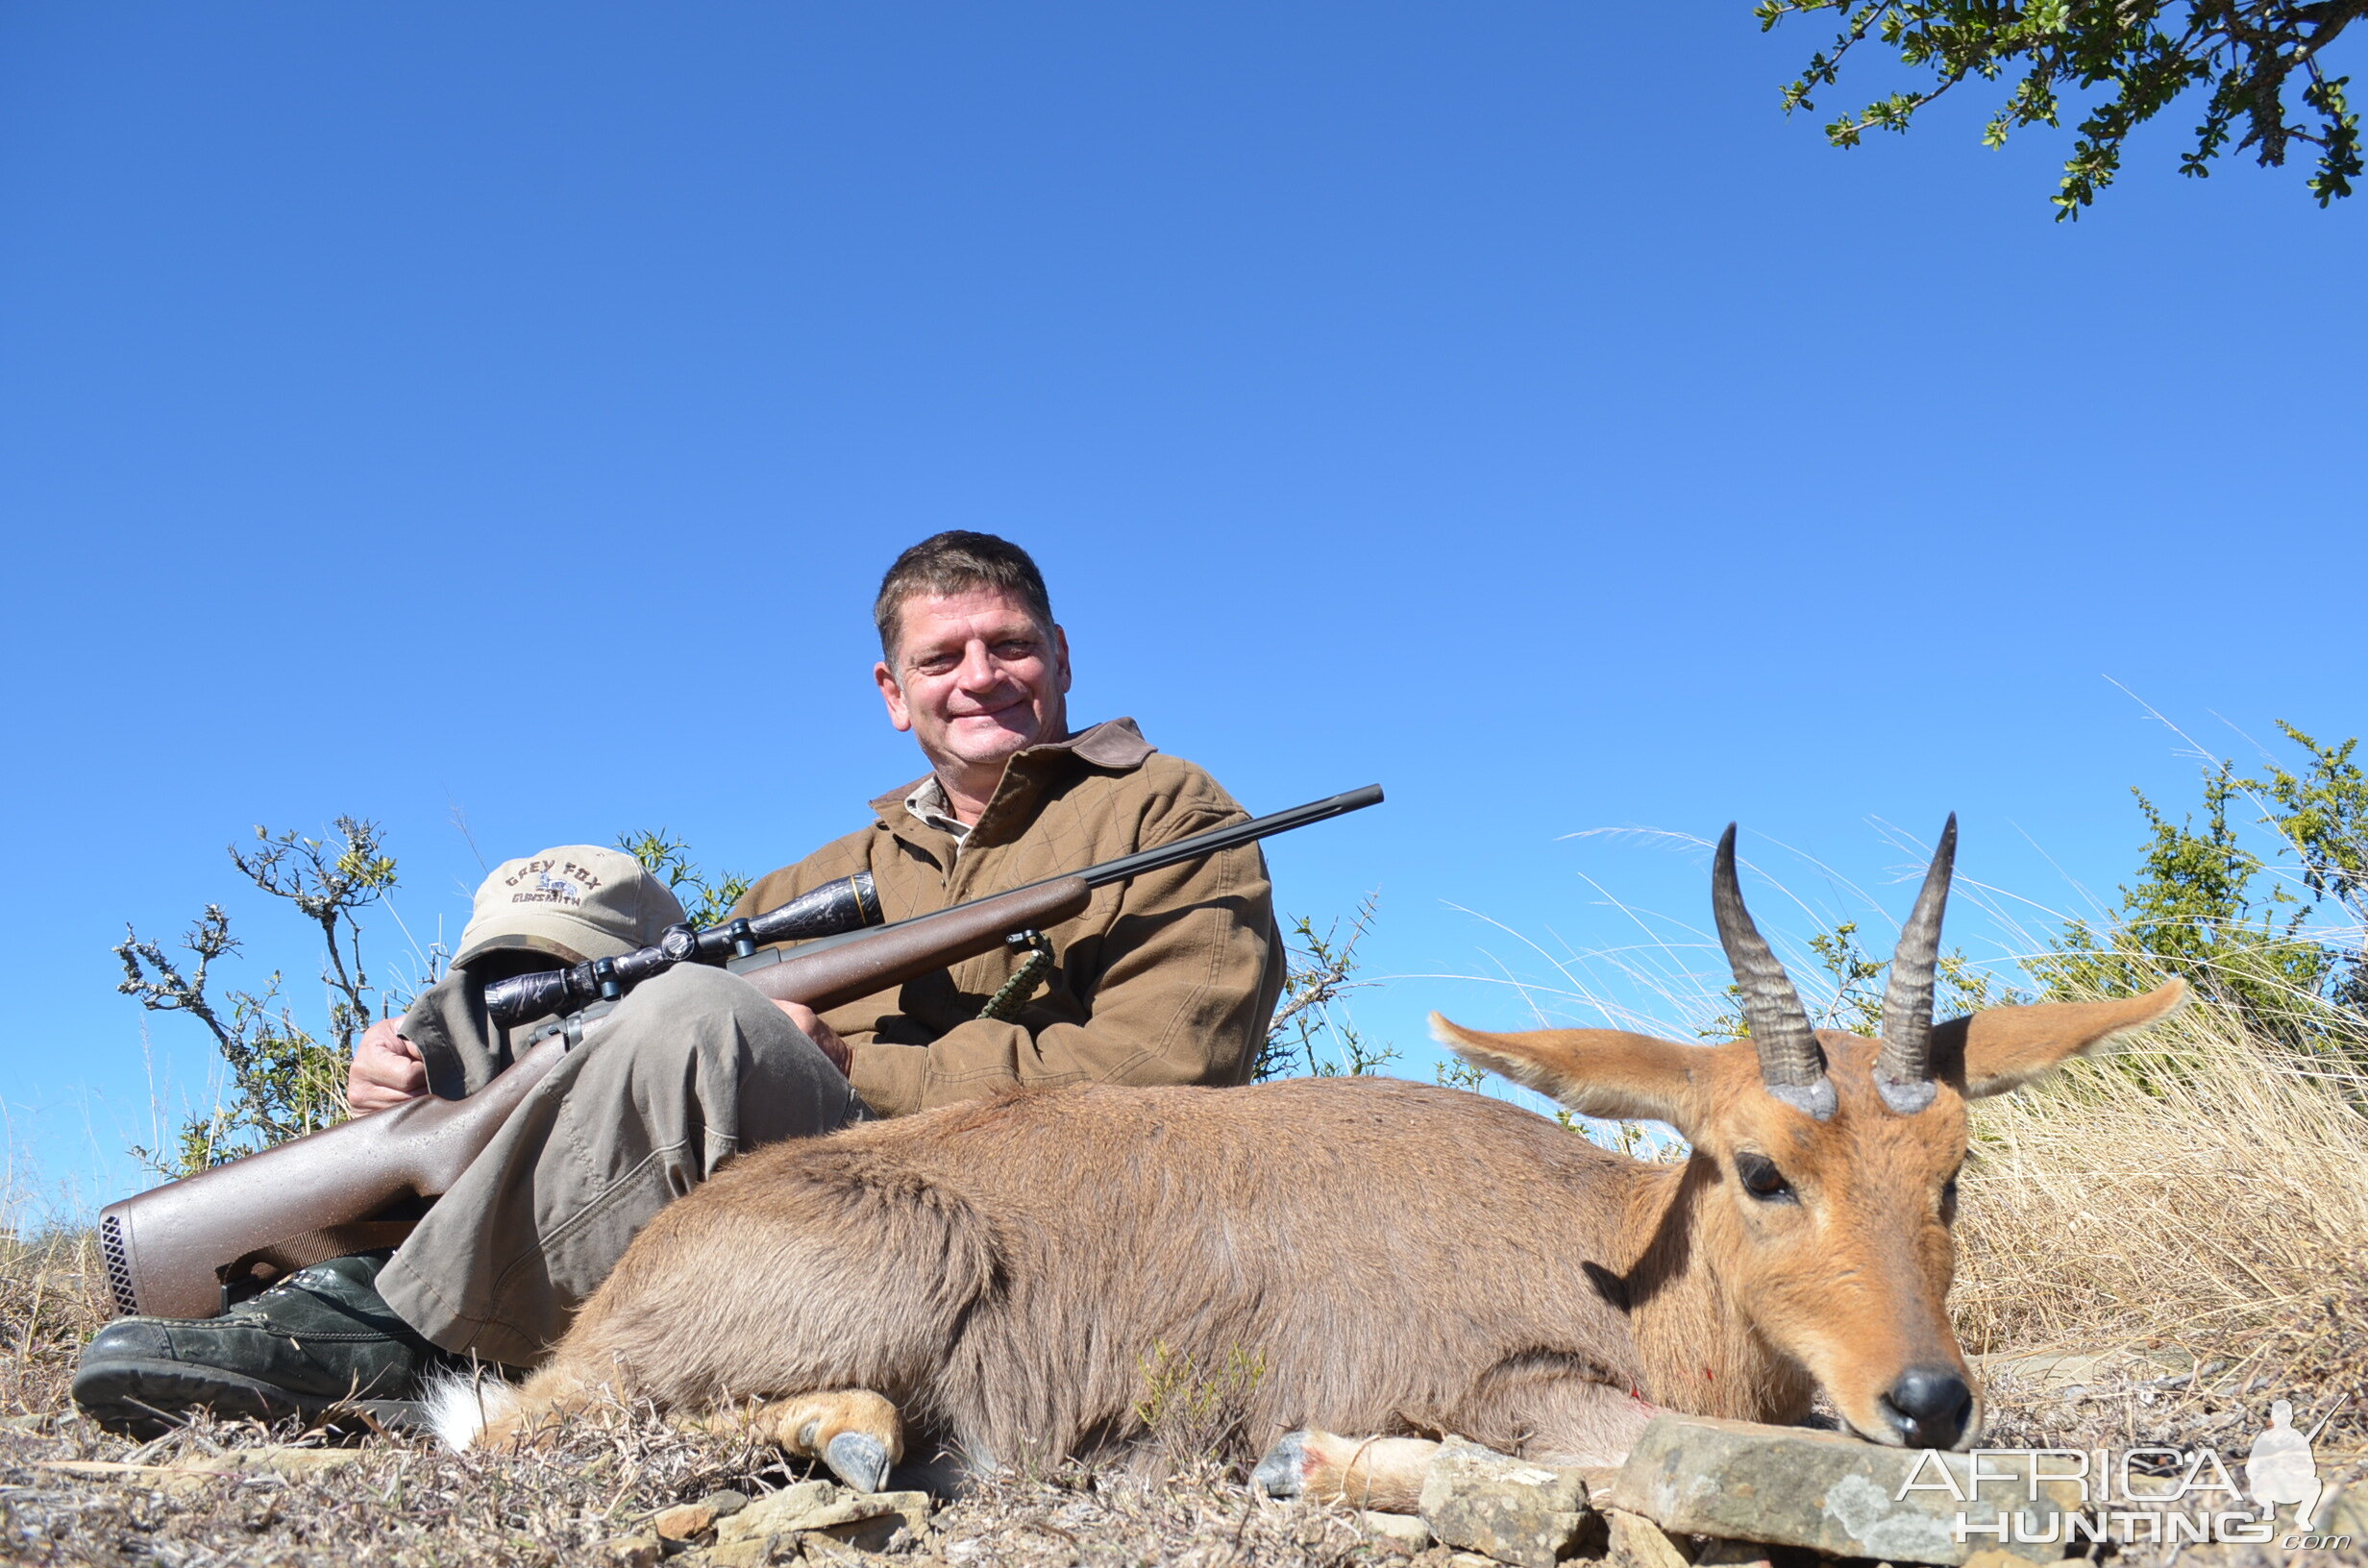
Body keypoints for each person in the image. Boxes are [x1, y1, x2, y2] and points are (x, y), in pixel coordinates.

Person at [73, 530, 1283, 1433]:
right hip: (825, 1213)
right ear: (891, 691)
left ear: (1059, 655)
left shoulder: (1168, 810)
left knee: (702, 1018)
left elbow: (1172, 1076)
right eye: (942, 656)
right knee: (672, 1011)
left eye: (1008, 645)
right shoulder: (826, 874)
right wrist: (420, 1061)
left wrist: (854, 1063)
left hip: (1034, 1211)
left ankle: (395, 1334)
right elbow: (612, 1035)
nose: (979, 676)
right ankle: (343, 1294)